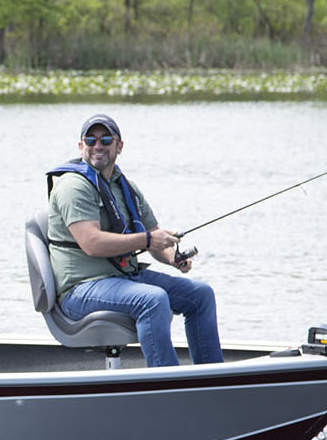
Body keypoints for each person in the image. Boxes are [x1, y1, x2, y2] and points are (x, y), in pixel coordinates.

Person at [45, 113, 223, 367]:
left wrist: (173, 258)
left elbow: (153, 234)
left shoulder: (124, 187)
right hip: (81, 288)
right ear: (80, 146)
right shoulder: (73, 186)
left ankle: (212, 379)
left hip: (123, 278)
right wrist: (150, 239)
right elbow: (92, 243)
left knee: (201, 295)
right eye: (90, 139)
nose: (98, 145)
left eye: (106, 139)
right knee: (153, 299)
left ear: (119, 146)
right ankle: (168, 386)